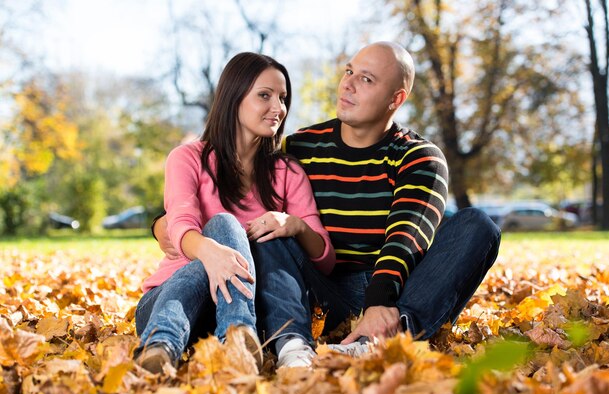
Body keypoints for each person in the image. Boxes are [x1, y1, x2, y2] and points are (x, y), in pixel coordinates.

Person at [154, 41, 500, 368]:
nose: (347, 85)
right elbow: (230, 191)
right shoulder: (300, 148)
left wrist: (379, 303)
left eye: (366, 79)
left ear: (396, 99)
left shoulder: (419, 157)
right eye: (349, 72)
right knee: (273, 232)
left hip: (399, 288)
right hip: (324, 290)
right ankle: (290, 339)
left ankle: (387, 336)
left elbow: (406, 239)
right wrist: (163, 225)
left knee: (477, 226)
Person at [134, 52, 335, 374]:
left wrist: (294, 224)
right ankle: (178, 343)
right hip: (170, 305)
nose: (278, 108)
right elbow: (180, 220)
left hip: (253, 314)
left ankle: (227, 336)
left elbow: (325, 258)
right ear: (234, 97)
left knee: (255, 236)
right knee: (224, 228)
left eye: (283, 98)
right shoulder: (187, 158)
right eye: (264, 96)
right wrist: (211, 254)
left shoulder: (288, 171)